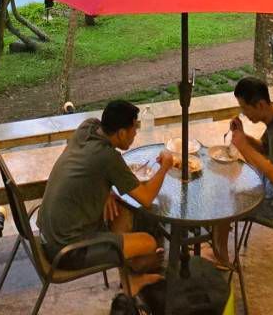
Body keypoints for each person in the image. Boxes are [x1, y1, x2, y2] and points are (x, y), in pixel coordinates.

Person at [38, 99, 173, 295]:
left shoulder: (88, 127)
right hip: (68, 251)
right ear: (120, 133)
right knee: (149, 242)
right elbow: (146, 197)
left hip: (49, 233)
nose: (136, 133)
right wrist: (165, 166)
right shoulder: (109, 158)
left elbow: (87, 170)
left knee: (120, 211)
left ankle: (130, 279)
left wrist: (107, 191)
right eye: (134, 128)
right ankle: (134, 273)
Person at [212, 76, 273, 266]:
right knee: (226, 185)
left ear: (259, 105)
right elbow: (265, 149)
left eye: (245, 108)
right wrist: (244, 137)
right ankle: (217, 247)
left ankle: (221, 258)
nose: (243, 114)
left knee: (225, 202)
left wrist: (244, 148)